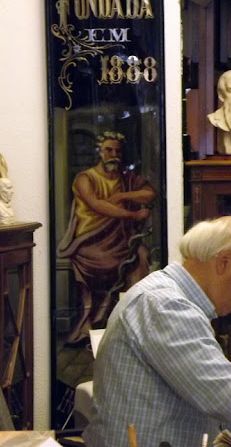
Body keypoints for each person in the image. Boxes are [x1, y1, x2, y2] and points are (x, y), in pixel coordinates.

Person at [83, 216, 231, 447]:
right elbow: (226, 396)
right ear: (224, 261)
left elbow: (190, 404)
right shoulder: (166, 304)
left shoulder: (168, 298)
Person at [57, 131, 156, 344]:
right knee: (108, 262)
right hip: (90, 240)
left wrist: (122, 195)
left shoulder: (126, 179)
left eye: (118, 151)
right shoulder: (85, 178)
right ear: (100, 152)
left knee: (141, 256)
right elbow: (98, 205)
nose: (114, 155)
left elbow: (149, 193)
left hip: (121, 238)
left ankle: (132, 323)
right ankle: (92, 324)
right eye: (109, 150)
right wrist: (133, 214)